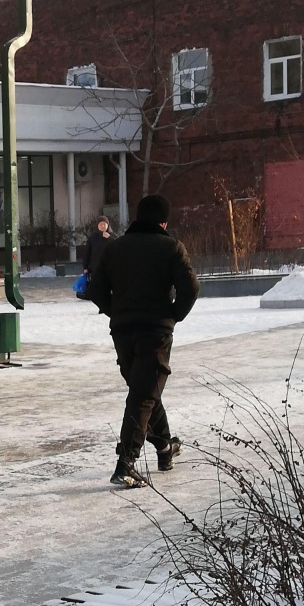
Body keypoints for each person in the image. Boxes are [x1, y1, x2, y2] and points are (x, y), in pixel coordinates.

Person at [85, 193, 198, 488]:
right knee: (144, 394)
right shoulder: (171, 247)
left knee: (144, 389)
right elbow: (191, 287)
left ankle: (164, 449)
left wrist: (118, 311)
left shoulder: (115, 248)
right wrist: (173, 315)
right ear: (163, 222)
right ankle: (126, 463)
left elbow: (95, 289)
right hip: (155, 331)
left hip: (122, 331)